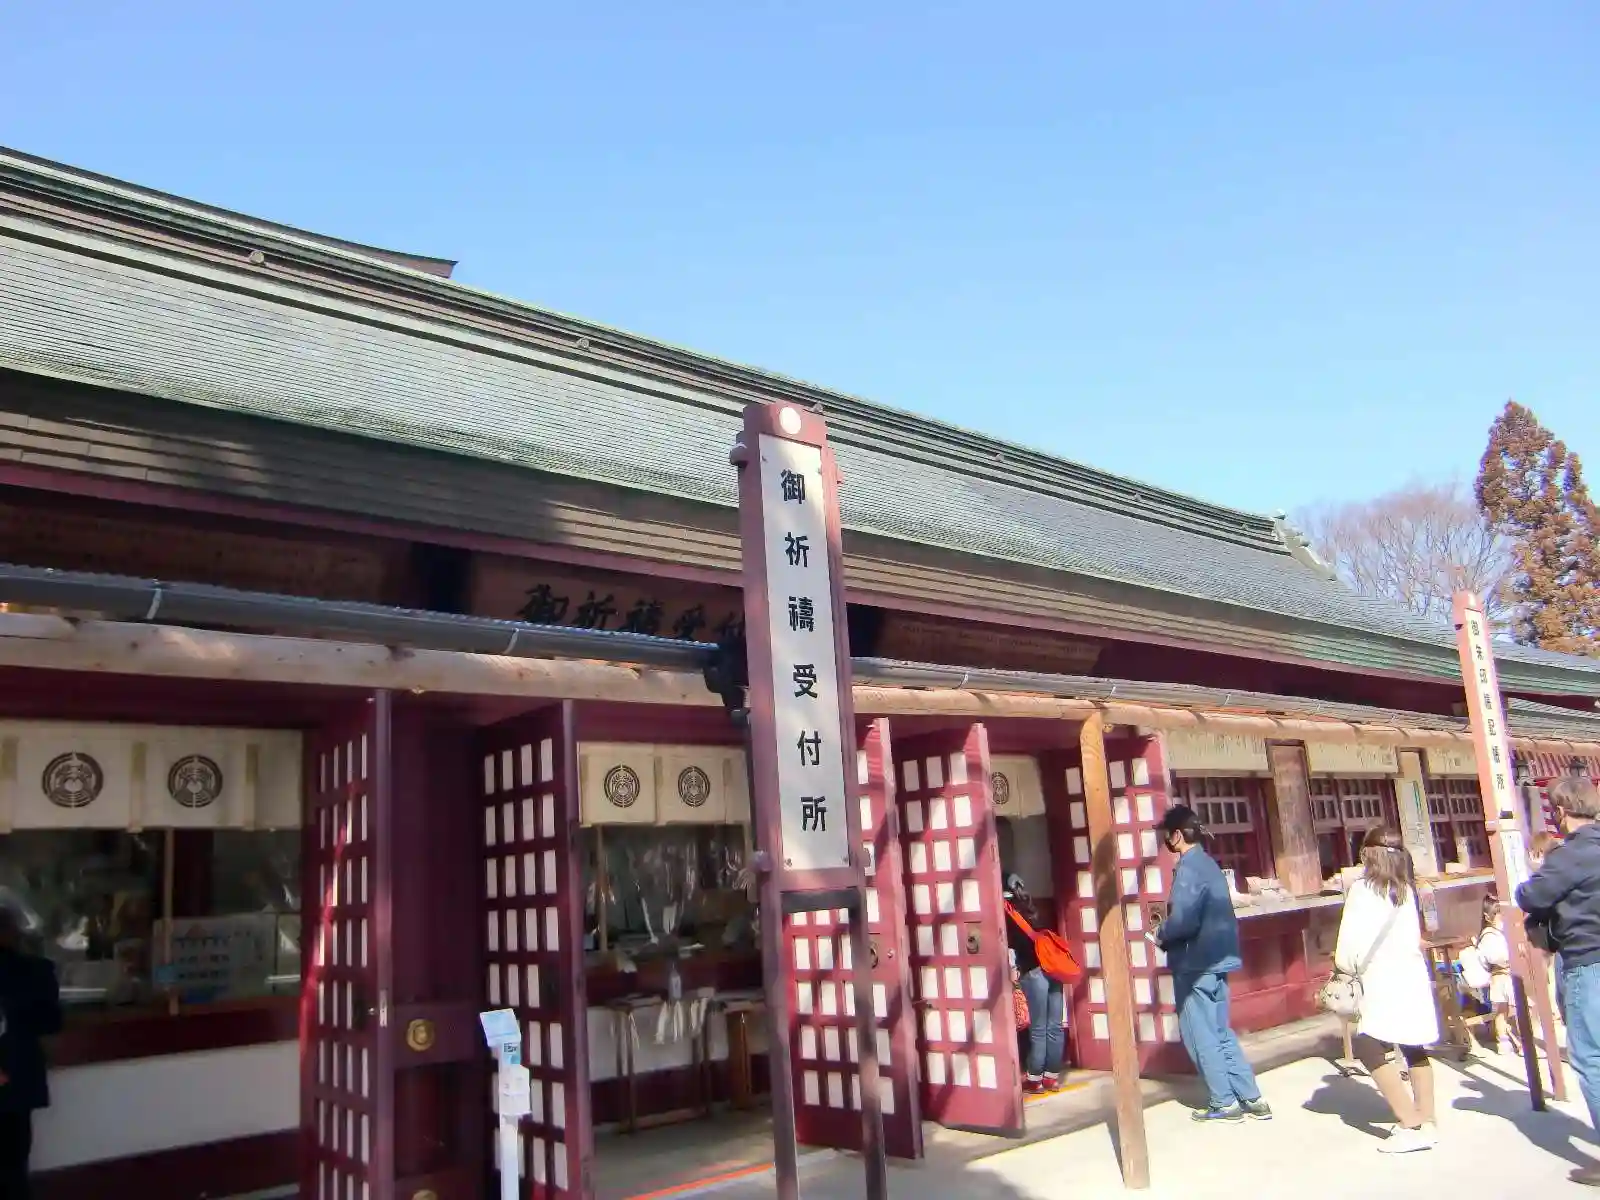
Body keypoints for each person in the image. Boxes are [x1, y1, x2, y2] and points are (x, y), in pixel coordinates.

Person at [1154, 805, 1270, 1123]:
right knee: (1221, 1031)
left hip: (1195, 963)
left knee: (1200, 1033)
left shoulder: (1188, 869)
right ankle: (1251, 1097)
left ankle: (1223, 1101)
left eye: (1168, 834)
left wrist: (1161, 933)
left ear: (1178, 835)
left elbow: (1184, 920)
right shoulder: (1209, 864)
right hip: (1219, 959)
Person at [1333, 827, 1439, 1154]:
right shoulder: (1408, 888)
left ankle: (1411, 1123)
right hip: (1412, 975)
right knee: (1413, 1046)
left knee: (1368, 1046)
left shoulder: (1362, 890)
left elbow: (1347, 947)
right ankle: (1427, 1119)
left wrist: (1345, 967)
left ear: (1368, 854)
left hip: (1381, 979)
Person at [1516, 776, 1600, 1187]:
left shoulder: (1570, 855)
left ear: (1562, 812)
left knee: (1592, 1058)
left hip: (1588, 960)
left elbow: (1531, 897)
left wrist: (1532, 874)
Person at [0, 905, 62, 1198]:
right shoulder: (37, 970)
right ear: (12, 934)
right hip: (16, 1077)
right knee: (14, 1165)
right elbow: (51, 1022)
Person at [1004, 873, 1065, 1093]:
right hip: (1054, 971)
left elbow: (1013, 948)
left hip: (1033, 973)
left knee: (1038, 1029)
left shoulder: (1010, 915)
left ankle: (1035, 1079)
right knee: (1055, 1027)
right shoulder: (1035, 909)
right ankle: (1052, 1078)